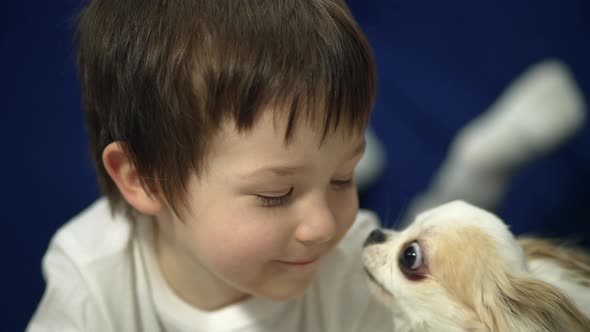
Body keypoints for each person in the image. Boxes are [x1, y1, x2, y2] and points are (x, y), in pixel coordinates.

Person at [27, 0, 394, 331]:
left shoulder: (353, 265)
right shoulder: (92, 282)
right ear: (145, 178)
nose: (324, 226)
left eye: (343, 178)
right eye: (275, 194)